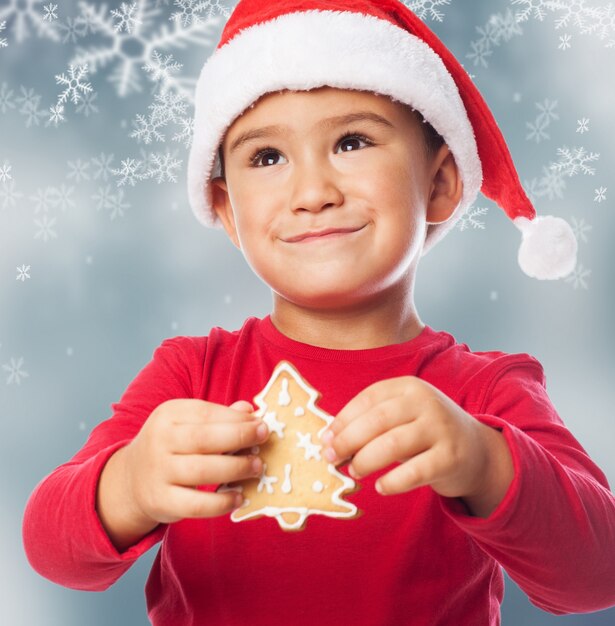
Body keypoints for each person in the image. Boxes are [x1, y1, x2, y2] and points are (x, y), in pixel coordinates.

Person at [22, 1, 615, 624]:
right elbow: (49, 549)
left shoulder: (485, 393)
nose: (312, 194)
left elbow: (596, 577)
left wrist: (485, 461)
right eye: (267, 158)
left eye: (352, 142)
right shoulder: (190, 377)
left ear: (439, 184)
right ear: (225, 208)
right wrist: (129, 486)